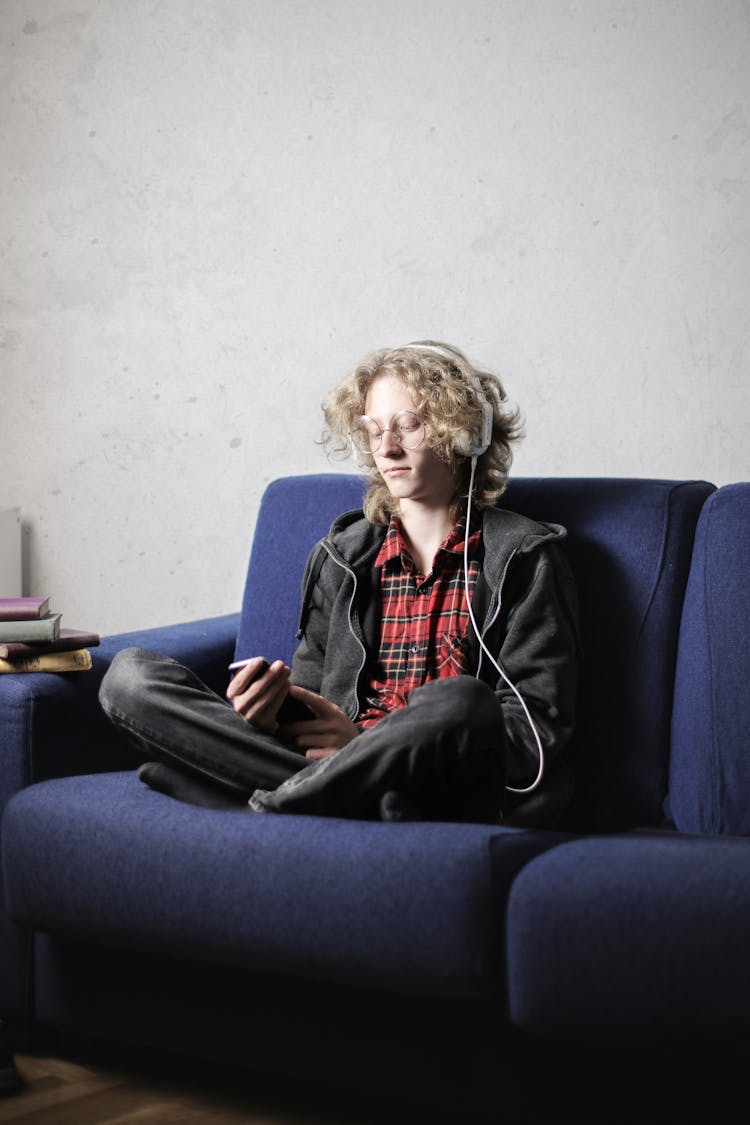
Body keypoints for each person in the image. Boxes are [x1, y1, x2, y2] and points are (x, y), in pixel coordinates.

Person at [100, 341, 580, 826]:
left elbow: (531, 736)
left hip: (444, 782)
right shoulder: (342, 556)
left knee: (462, 700)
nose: (387, 448)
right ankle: (348, 801)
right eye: (374, 431)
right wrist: (270, 716)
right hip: (352, 777)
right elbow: (313, 701)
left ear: (467, 434)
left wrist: (362, 744)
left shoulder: (524, 557)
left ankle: (264, 800)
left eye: (408, 425)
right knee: (130, 678)